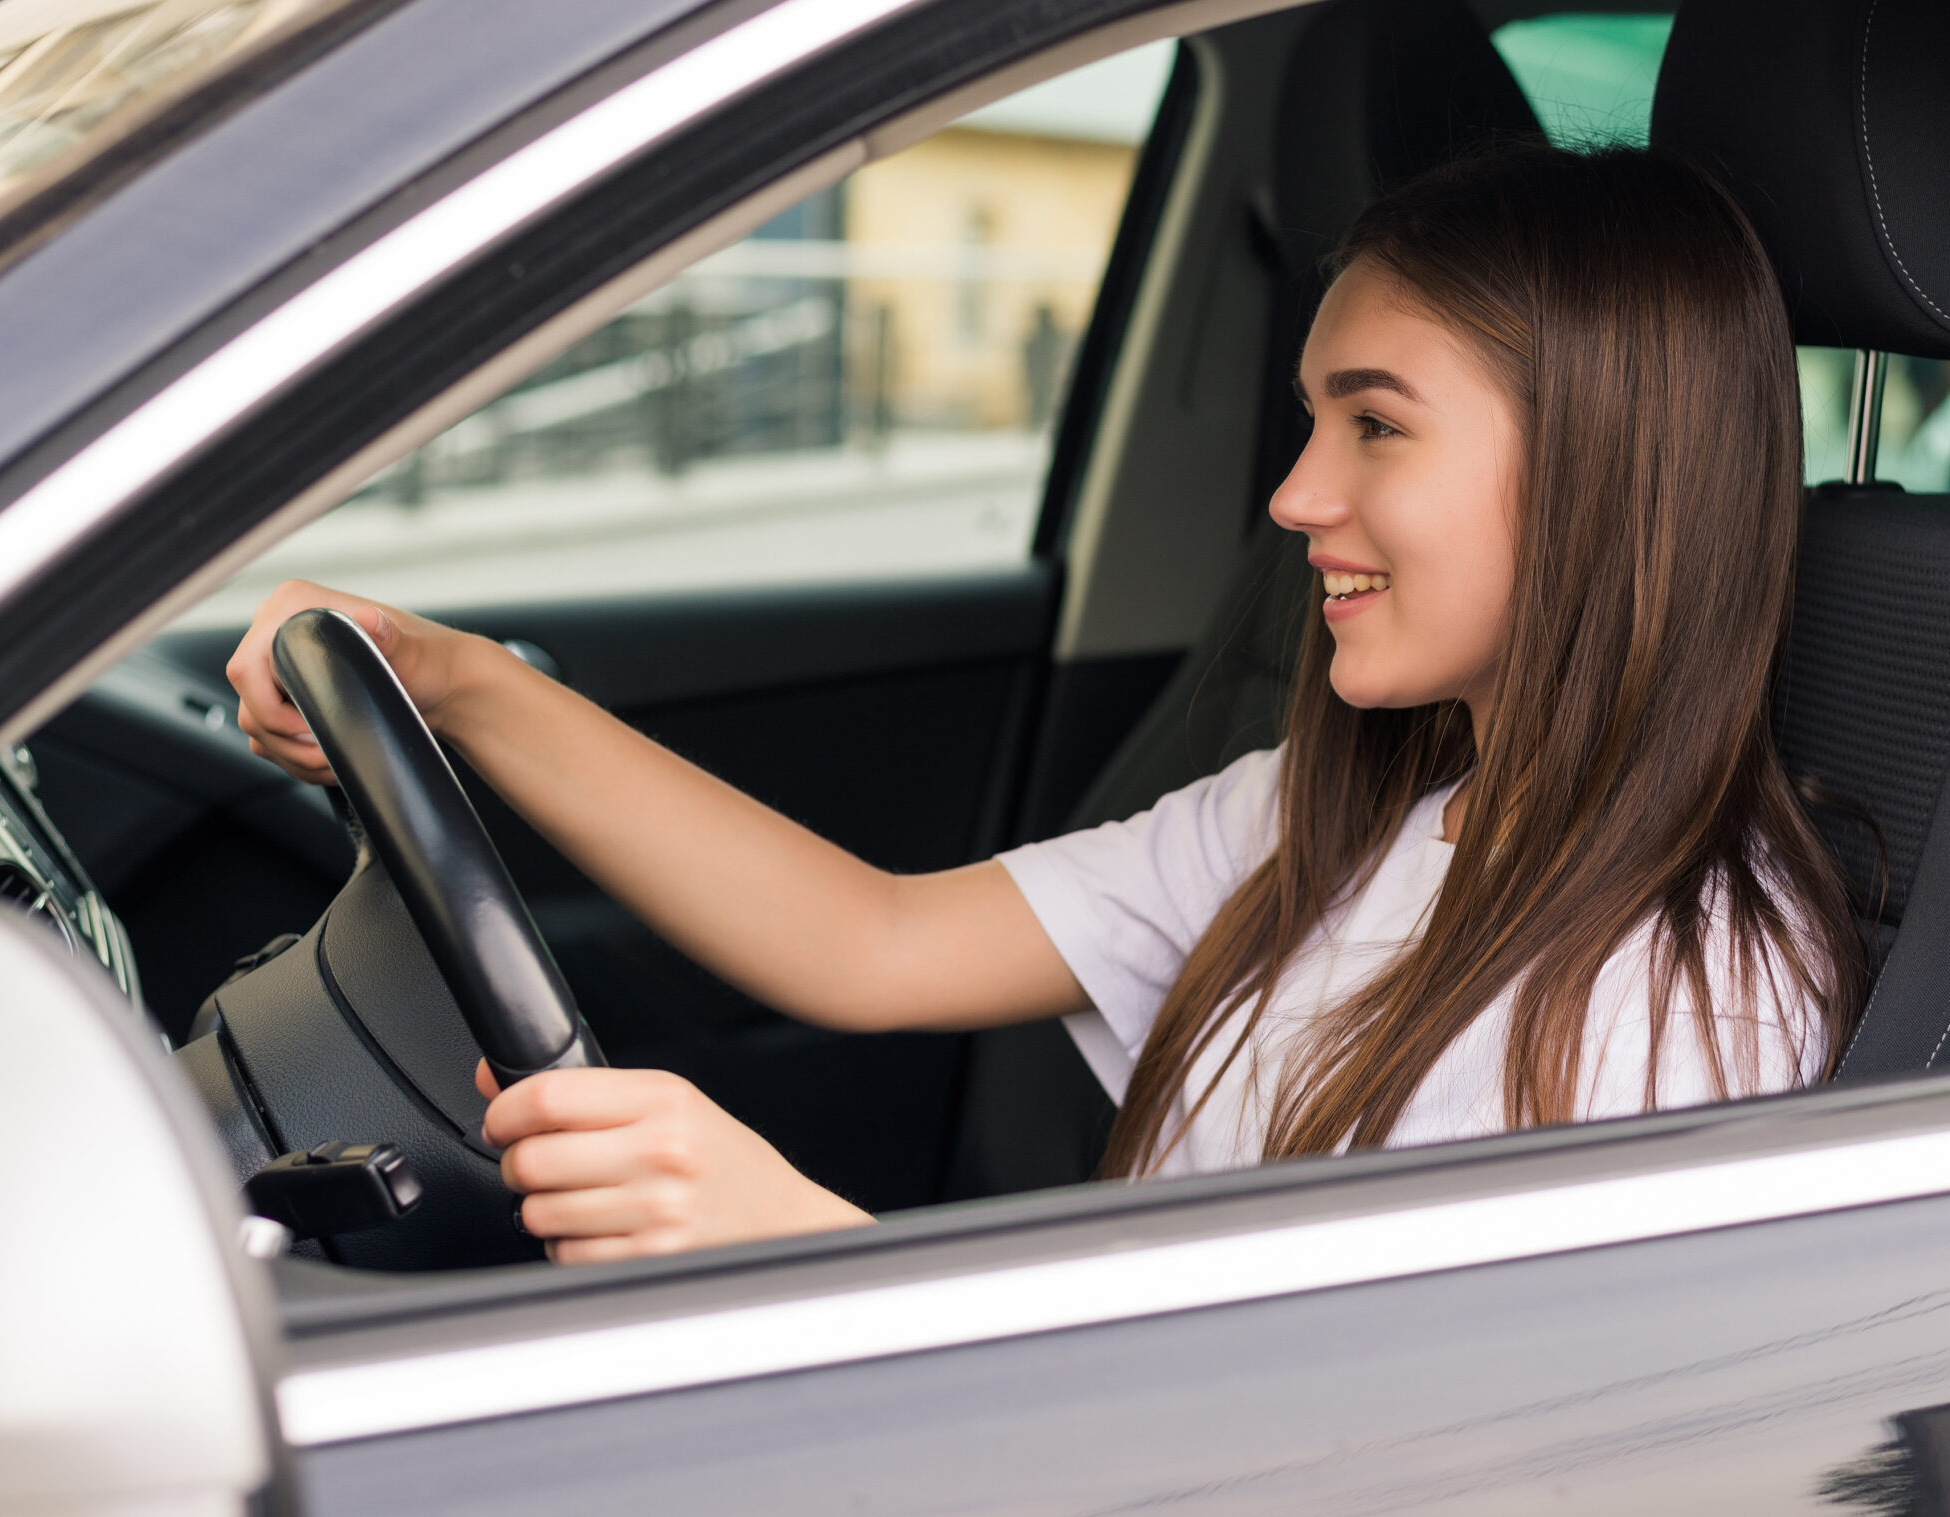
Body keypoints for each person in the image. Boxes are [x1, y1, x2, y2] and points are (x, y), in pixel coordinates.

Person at [229, 141, 1867, 1264]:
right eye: (1309, 421)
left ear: (1598, 473)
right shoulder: (1343, 811)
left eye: (1375, 426)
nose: (1294, 496)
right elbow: (870, 940)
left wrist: (804, 1254)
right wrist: (450, 681)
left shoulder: (1681, 1001)